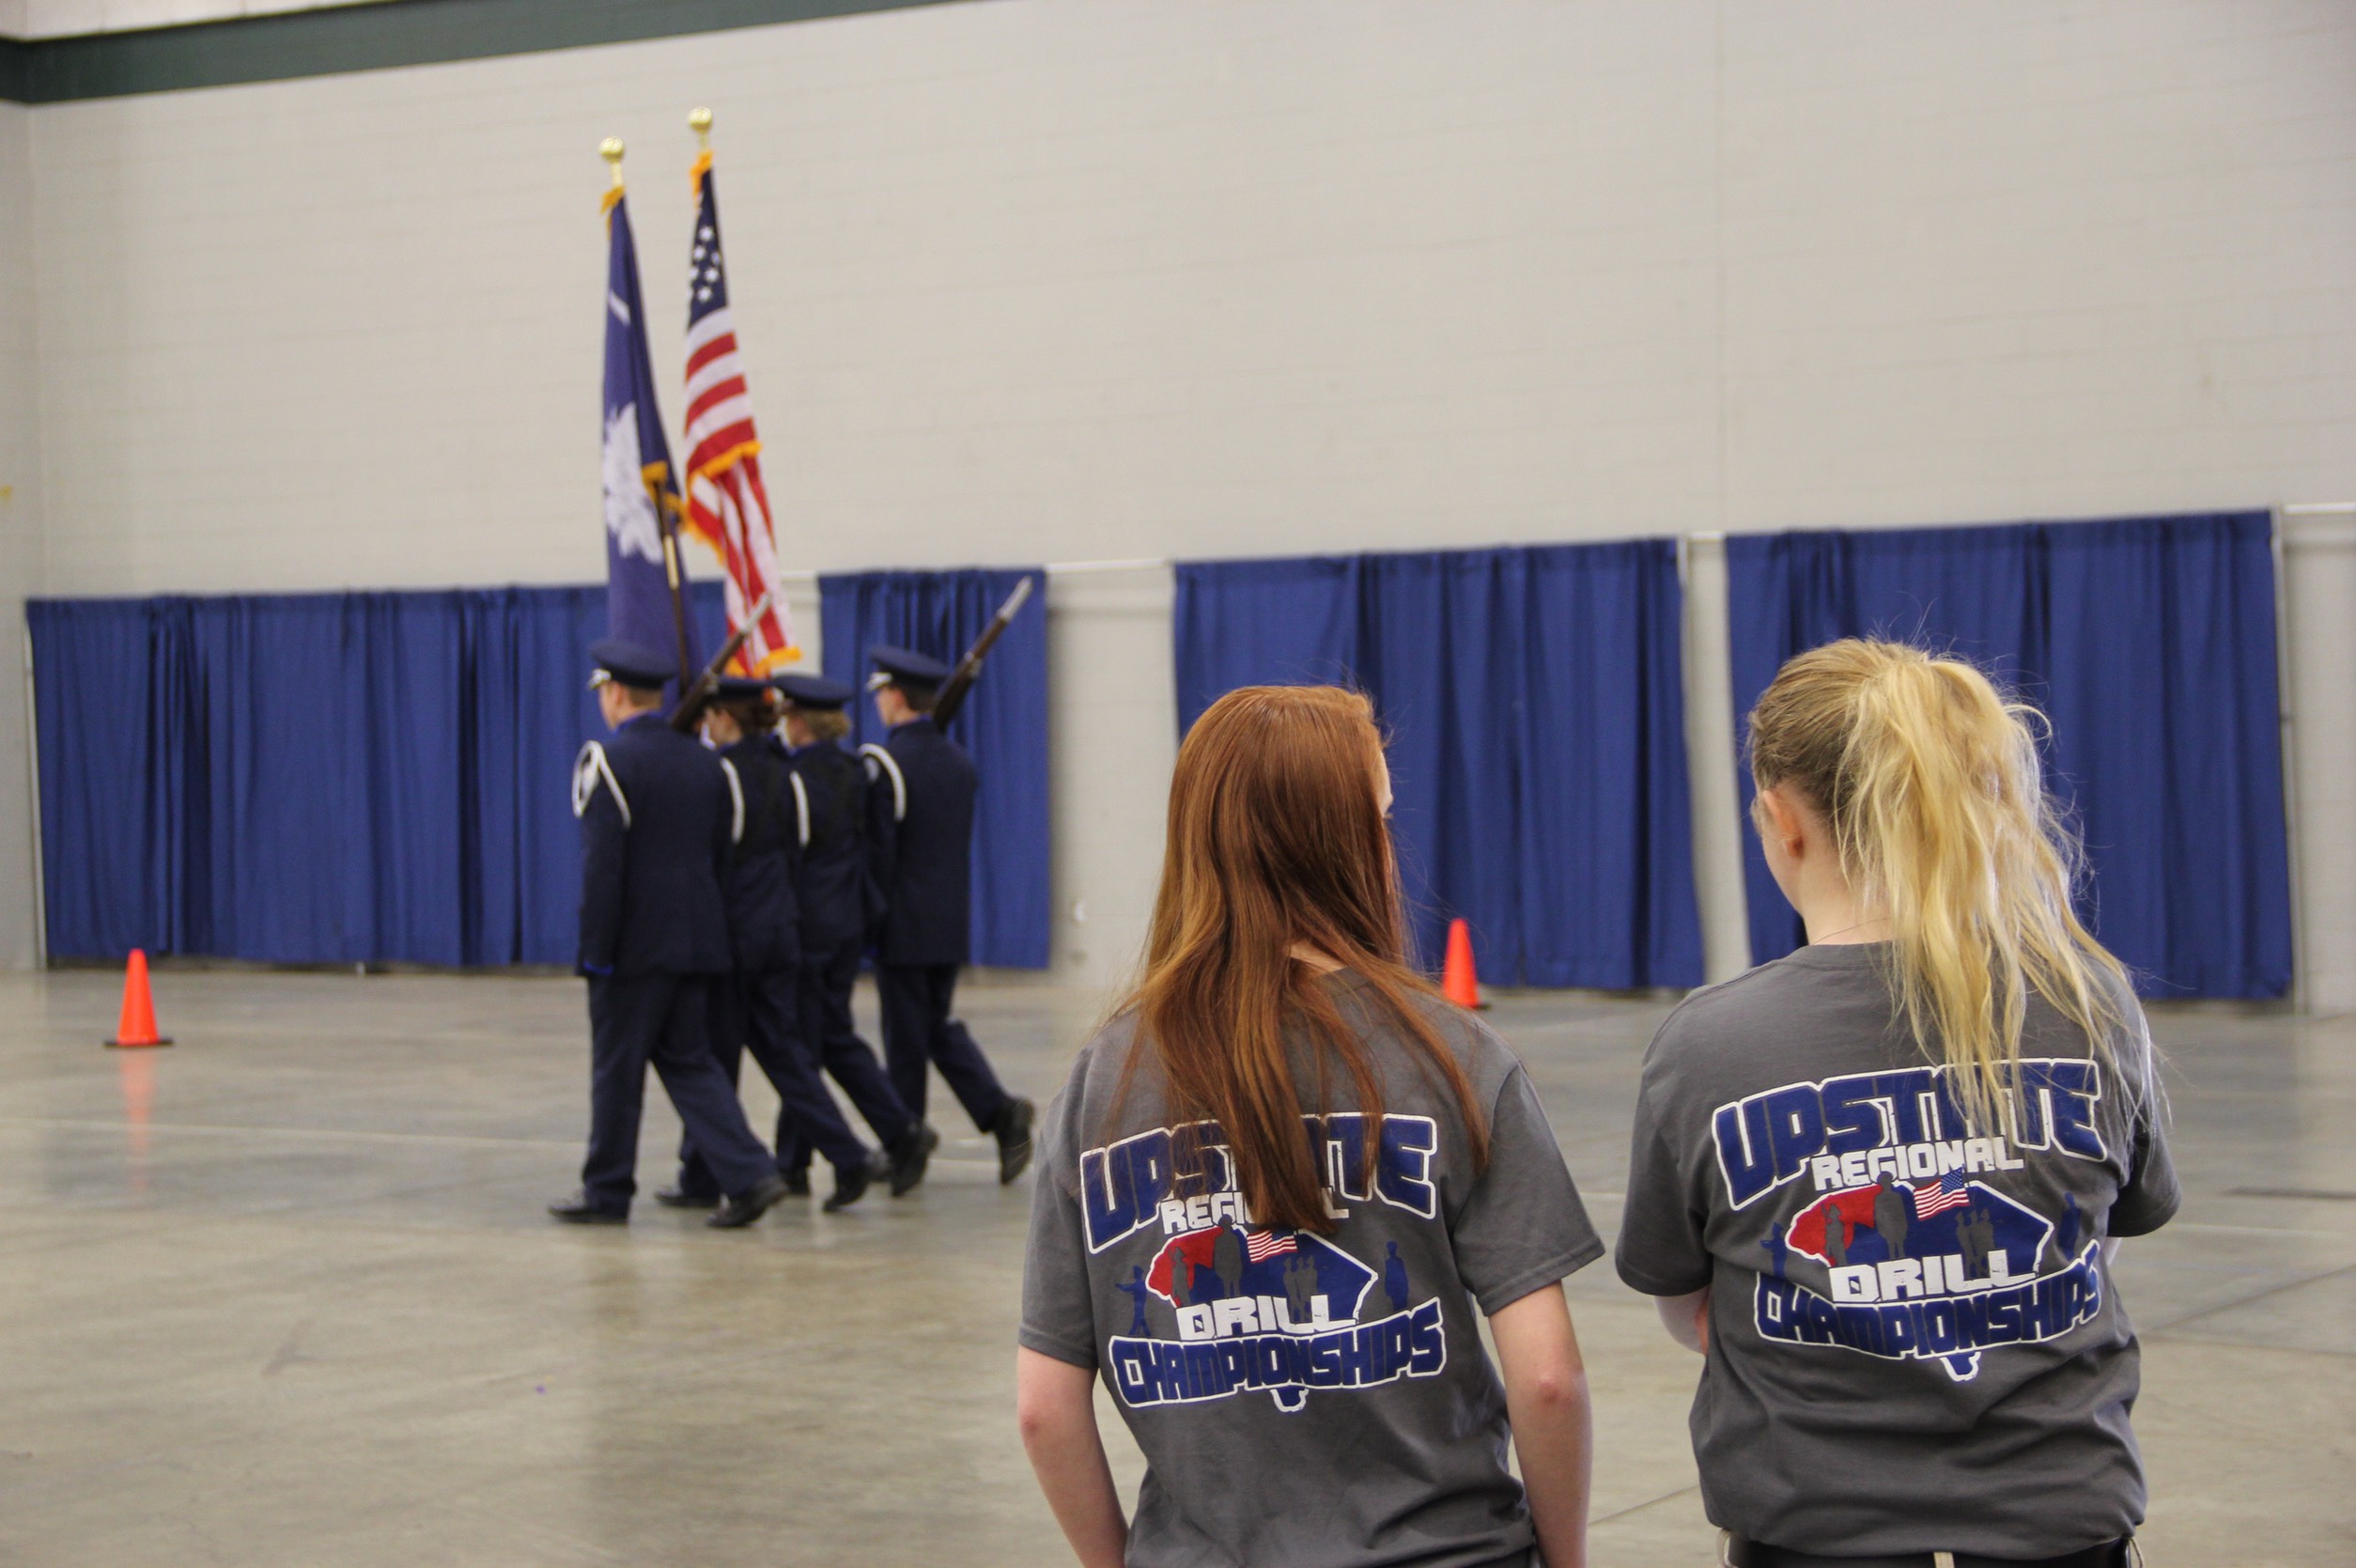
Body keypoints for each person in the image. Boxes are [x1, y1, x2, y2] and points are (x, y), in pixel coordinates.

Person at [1616, 639, 2177, 1568]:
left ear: (1781, 820)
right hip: (2059, 1508)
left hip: (1816, 1515)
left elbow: (1687, 1305)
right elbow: (2089, 1235)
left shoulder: (1707, 1044)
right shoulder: (2088, 1001)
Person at [1017, 685, 1601, 1568]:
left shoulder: (1104, 1078)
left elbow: (1044, 1406)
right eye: (1381, 817)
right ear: (1344, 843)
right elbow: (1548, 1379)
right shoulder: (1456, 1058)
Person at [548, 639, 792, 1231]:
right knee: (691, 1063)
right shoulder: (706, 764)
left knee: (617, 1070)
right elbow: (720, 857)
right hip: (697, 940)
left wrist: (596, 951)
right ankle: (751, 1172)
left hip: (633, 949)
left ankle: (606, 1189)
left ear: (614, 694)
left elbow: (603, 869)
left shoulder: (609, 762)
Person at [655, 676, 875, 1215]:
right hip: (781, 926)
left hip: (737, 935)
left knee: (716, 1055)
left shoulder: (723, 773)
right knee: (786, 1054)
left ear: (725, 718)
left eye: (711, 717)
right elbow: (796, 850)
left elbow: (715, 857)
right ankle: (849, 1155)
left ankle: (709, 1174)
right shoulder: (786, 771)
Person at [862, 644, 1034, 1184]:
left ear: (895, 697)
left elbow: (880, 856)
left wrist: (867, 922)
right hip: (948, 918)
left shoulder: (887, 765)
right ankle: (1001, 1112)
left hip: (902, 922)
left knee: (905, 1040)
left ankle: (905, 1142)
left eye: (882, 694)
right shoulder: (959, 762)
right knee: (932, 1028)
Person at [771, 673, 937, 1197]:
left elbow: (791, 858)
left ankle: (893, 1132)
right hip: (847, 920)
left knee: (802, 1044)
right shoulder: (855, 772)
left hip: (809, 926)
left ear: (800, 722)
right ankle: (798, 1159)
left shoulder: (795, 780)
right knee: (825, 1037)